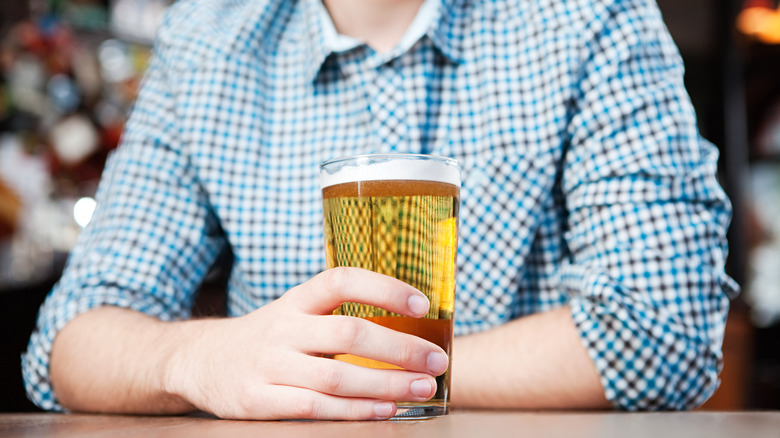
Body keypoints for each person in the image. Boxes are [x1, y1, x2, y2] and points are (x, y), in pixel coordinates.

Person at [23, 0, 737, 420]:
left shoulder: (589, 16)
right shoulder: (205, 38)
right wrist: (206, 357)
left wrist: (330, 373)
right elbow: (69, 343)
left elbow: (663, 332)